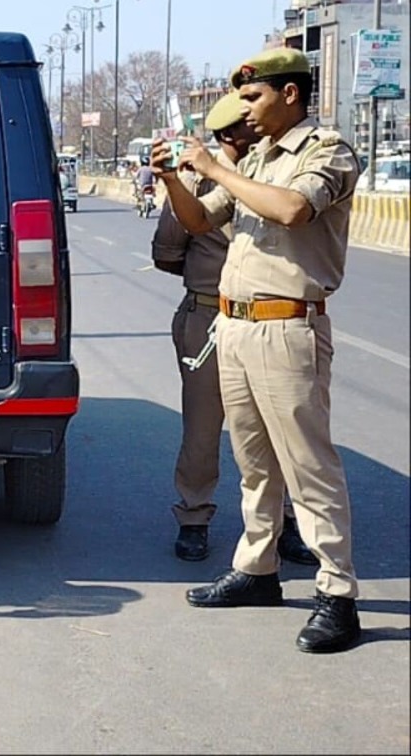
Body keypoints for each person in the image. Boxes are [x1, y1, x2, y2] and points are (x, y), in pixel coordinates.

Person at [154, 48, 362, 654]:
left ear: (289, 94)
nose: (244, 111)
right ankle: (258, 569)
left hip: (287, 327)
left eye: (254, 97)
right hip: (235, 326)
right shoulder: (259, 160)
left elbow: (295, 210)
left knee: (309, 466)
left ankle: (337, 593)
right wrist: (173, 176)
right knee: (255, 463)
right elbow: (198, 222)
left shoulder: (325, 152)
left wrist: (217, 168)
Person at [151, 92, 315, 566]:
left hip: (269, 319)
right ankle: (194, 519)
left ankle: (282, 523)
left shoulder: (275, 175)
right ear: (230, 137)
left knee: (275, 428)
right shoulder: (197, 183)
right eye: (249, 127)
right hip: (207, 319)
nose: (259, 129)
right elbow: (166, 251)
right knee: (204, 430)